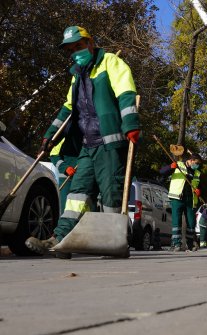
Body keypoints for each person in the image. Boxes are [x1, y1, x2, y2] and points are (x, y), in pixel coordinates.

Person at [26, 26, 140, 258]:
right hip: (86, 145)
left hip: (109, 142)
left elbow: (126, 93)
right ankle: (59, 239)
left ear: (90, 42)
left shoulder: (111, 63)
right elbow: (68, 108)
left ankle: (113, 241)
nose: (76, 52)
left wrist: (130, 124)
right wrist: (50, 134)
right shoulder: (77, 75)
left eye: (79, 46)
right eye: (71, 49)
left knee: (110, 193)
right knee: (77, 193)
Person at [160, 153, 202, 252]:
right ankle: (176, 243)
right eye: (196, 163)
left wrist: (198, 190)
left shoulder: (197, 173)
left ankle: (190, 244)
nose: (197, 165)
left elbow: (199, 185)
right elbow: (162, 172)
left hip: (190, 200)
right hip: (177, 198)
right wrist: (171, 167)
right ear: (191, 160)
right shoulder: (178, 165)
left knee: (191, 223)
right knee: (176, 221)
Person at [49, 137, 80, 214]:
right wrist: (65, 168)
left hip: (84, 177)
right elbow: (53, 154)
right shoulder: (65, 135)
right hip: (67, 179)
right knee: (66, 210)